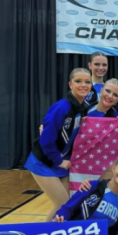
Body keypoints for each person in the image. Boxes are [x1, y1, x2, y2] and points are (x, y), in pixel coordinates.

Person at [26, 68, 92, 221]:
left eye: (87, 82)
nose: (83, 85)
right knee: (62, 204)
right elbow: (46, 140)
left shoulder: (81, 108)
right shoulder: (61, 108)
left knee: (69, 204)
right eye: (78, 81)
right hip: (43, 162)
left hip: (60, 162)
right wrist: (59, 161)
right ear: (70, 84)